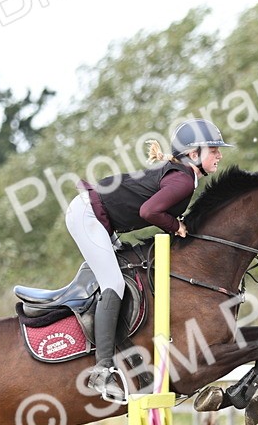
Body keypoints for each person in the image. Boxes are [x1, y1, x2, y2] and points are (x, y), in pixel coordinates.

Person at [65, 118, 233, 402]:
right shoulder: (183, 180)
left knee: (125, 275)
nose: (219, 155)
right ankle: (102, 370)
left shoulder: (183, 175)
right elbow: (148, 211)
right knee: (114, 285)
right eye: (213, 150)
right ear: (194, 154)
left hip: (100, 218)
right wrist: (175, 226)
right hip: (88, 216)